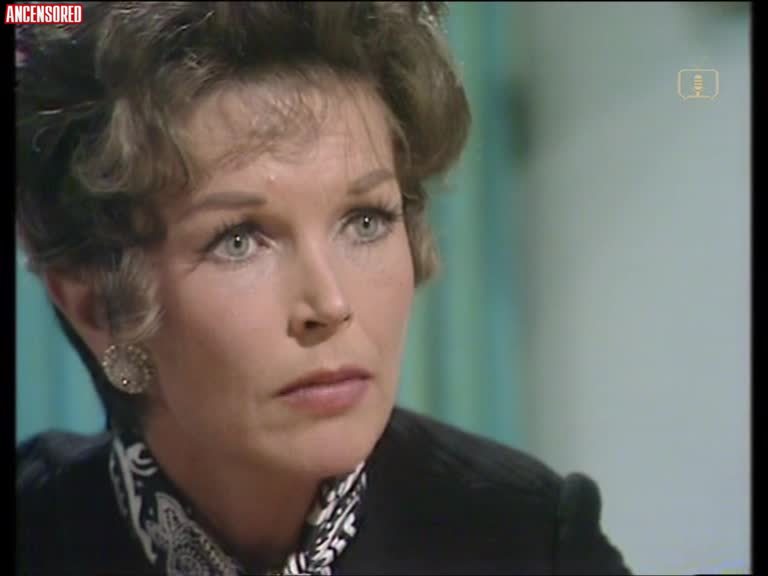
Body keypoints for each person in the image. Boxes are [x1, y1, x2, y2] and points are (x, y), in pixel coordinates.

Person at [15, 2, 631, 574]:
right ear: (98, 308)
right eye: (239, 240)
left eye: (365, 221)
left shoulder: (531, 540)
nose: (330, 305)